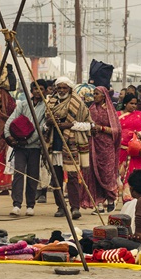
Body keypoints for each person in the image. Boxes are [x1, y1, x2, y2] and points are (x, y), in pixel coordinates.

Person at [45, 77, 90, 219]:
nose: (61, 90)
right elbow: (44, 125)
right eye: (59, 88)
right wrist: (49, 122)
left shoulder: (78, 104)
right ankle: (61, 207)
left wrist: (69, 125)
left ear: (70, 89)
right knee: (56, 178)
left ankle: (75, 208)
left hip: (71, 145)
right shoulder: (51, 103)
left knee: (72, 177)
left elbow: (89, 125)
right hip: (55, 144)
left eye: (64, 88)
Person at [5, 79, 49, 217]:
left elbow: (41, 128)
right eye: (35, 88)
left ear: (45, 91)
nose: (38, 91)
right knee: (18, 174)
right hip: (19, 146)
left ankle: (30, 205)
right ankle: (17, 204)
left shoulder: (47, 108)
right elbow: (11, 120)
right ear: (31, 90)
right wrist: (8, 136)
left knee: (32, 175)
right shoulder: (23, 104)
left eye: (41, 89)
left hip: (34, 147)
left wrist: (28, 141)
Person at [85, 86, 121, 212]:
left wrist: (101, 128)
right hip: (94, 145)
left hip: (107, 147)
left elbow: (117, 130)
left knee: (107, 174)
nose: (94, 96)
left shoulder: (110, 111)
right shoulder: (91, 109)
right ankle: (99, 203)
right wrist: (90, 129)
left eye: (97, 94)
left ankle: (111, 199)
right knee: (95, 173)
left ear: (104, 96)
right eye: (94, 94)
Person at [117, 93, 141, 183]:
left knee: (135, 174)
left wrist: (139, 135)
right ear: (125, 103)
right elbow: (114, 131)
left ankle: (134, 190)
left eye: (135, 104)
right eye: (131, 103)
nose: (133, 106)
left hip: (136, 152)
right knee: (120, 175)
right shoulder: (117, 115)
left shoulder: (140, 115)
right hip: (120, 150)